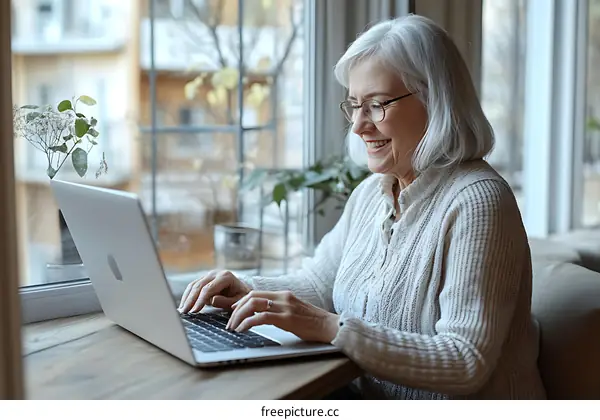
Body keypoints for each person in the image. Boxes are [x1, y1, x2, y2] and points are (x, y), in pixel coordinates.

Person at [179, 15, 547, 399]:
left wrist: (331, 328)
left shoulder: (478, 201)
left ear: (434, 100)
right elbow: (320, 284)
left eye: (376, 105)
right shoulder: (373, 193)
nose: (358, 126)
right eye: (354, 105)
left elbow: (465, 360)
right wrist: (248, 291)